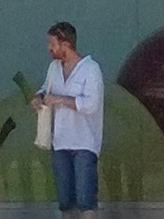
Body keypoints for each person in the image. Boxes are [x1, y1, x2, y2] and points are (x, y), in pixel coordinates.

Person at [35, 21, 103, 217]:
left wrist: (60, 100)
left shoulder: (90, 69)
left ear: (66, 44)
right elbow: (45, 89)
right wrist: (39, 97)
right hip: (60, 142)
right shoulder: (54, 68)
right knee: (65, 200)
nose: (49, 48)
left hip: (84, 142)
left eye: (53, 44)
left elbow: (91, 105)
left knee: (85, 199)